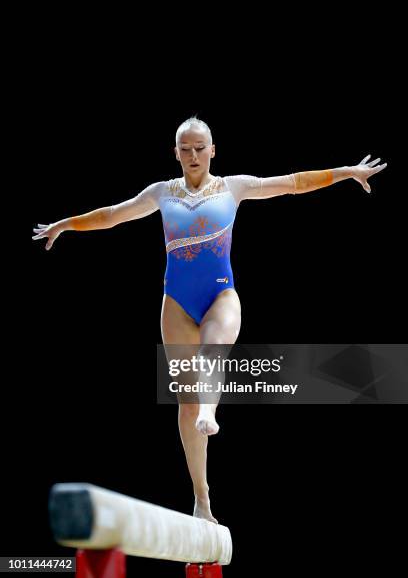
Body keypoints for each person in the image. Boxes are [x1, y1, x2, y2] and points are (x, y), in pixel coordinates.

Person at [33, 117, 386, 522]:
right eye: (186, 149)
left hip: (221, 294)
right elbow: (112, 215)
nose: (194, 156)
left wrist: (348, 173)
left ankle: (210, 410)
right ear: (176, 153)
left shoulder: (235, 187)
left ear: (213, 150)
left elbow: (294, 181)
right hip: (177, 302)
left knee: (212, 350)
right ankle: (202, 498)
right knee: (184, 404)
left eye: (201, 148)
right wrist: (66, 224)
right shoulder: (161, 193)